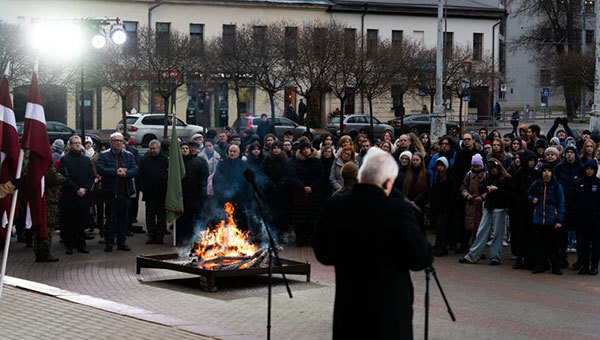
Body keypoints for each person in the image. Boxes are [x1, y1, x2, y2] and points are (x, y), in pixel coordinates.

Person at [313, 147, 433, 340]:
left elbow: (322, 254)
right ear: (388, 182)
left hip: (350, 309)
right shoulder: (398, 209)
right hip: (390, 312)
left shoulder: (334, 206)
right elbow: (421, 258)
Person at [459, 158, 512, 265]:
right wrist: (487, 188)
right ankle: (473, 255)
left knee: (497, 233)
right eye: (490, 168)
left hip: (500, 208)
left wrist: (497, 190)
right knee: (482, 230)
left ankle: (495, 257)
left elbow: (508, 194)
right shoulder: (488, 177)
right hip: (489, 206)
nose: (492, 171)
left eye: (493, 169)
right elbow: (481, 187)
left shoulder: (506, 178)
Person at [97, 132, 139, 252]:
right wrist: (115, 171)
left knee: (123, 219)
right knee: (110, 219)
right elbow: (100, 169)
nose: (119, 143)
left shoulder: (128, 155)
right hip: (111, 192)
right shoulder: (104, 155)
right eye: (116, 141)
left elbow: (135, 169)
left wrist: (126, 173)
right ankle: (109, 243)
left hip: (125, 192)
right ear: (111, 142)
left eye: (121, 141)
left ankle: (122, 242)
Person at [58, 136, 94, 255]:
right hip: (70, 196)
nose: (78, 145)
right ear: (70, 145)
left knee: (81, 221)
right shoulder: (65, 159)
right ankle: (69, 245)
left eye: (79, 143)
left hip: (83, 195)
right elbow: (64, 177)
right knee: (70, 222)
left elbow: (91, 176)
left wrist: (86, 188)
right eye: (75, 143)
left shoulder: (86, 159)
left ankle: (81, 245)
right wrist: (77, 188)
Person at [528, 163, 565, 275]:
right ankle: (541, 264)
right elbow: (528, 193)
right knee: (540, 244)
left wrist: (559, 219)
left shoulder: (556, 186)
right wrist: (532, 198)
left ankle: (555, 266)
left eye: (549, 171)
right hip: (539, 219)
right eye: (544, 171)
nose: (546, 173)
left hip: (551, 219)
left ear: (552, 172)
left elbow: (561, 203)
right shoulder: (537, 184)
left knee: (553, 245)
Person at [569, 159, 600, 275]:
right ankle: (585, 266)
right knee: (583, 245)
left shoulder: (598, 183)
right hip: (582, 220)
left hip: (596, 221)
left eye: (591, 169)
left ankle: (594, 266)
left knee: (596, 245)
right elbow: (573, 201)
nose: (589, 171)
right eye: (587, 169)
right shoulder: (579, 183)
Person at [289, 141, 322, 246]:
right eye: (304, 149)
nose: (306, 151)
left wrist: (312, 187)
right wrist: (303, 186)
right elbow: (293, 176)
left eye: (308, 148)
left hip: (313, 193)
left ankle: (311, 238)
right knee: (300, 218)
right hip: (300, 193)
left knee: (312, 218)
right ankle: (300, 239)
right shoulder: (296, 162)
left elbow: (321, 176)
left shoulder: (317, 162)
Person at [511, 150, 540, 270]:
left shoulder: (536, 174)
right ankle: (519, 258)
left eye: (533, 160)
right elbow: (515, 191)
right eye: (529, 160)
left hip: (532, 209)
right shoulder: (518, 174)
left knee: (531, 235)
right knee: (520, 234)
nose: (531, 163)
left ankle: (529, 258)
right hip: (520, 209)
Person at [178, 142, 209, 246]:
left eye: (186, 148)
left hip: (194, 197)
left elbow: (203, 179)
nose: (185, 150)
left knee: (192, 221)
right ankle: (181, 240)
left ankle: (192, 240)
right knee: (181, 221)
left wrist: (203, 193)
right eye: (182, 148)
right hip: (181, 197)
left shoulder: (197, 163)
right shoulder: (175, 163)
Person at [138, 140, 168, 244]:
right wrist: (143, 187)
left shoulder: (165, 160)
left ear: (159, 148)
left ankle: (160, 235)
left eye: (154, 149)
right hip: (149, 192)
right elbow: (140, 174)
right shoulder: (144, 160)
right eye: (150, 149)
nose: (152, 150)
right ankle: (151, 235)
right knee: (150, 216)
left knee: (161, 216)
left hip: (162, 192)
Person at [431, 157, 458, 257]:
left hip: (446, 207)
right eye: (438, 165)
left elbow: (451, 194)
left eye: (441, 166)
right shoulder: (437, 177)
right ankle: (441, 247)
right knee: (439, 228)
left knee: (441, 227)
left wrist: (443, 202)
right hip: (439, 207)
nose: (439, 168)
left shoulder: (450, 178)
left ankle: (441, 248)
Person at [460, 154, 486, 253]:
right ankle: (468, 247)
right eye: (474, 166)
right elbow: (463, 187)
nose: (476, 168)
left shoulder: (485, 175)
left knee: (480, 228)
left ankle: (479, 249)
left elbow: (488, 189)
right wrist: (467, 195)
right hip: (470, 203)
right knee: (469, 226)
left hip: (481, 204)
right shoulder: (469, 174)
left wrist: (482, 197)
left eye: (477, 166)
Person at [402, 152, 429, 232]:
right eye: (413, 160)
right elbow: (405, 188)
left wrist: (415, 201)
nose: (415, 162)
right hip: (408, 201)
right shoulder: (408, 172)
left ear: (421, 161)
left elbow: (425, 190)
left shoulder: (425, 173)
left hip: (419, 202)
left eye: (417, 160)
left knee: (420, 224)